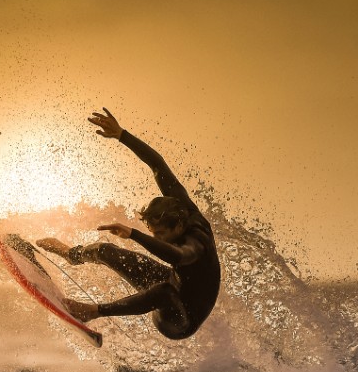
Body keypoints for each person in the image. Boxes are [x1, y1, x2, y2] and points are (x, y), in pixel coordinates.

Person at [37, 108, 221, 340]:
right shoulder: (181, 204)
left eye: (161, 234)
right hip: (171, 281)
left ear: (178, 226)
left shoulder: (197, 243)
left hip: (181, 318)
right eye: (154, 233)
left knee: (164, 292)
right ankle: (70, 254)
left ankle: (93, 311)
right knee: (106, 250)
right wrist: (122, 135)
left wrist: (134, 234)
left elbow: (176, 256)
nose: (157, 239)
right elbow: (157, 165)